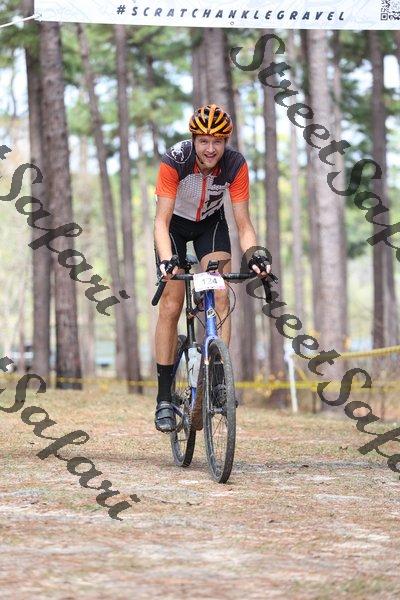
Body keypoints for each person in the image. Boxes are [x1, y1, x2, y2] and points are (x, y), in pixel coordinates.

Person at [153, 104, 270, 432]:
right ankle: (164, 398)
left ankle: (217, 380)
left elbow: (243, 223)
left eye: (217, 141)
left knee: (219, 295)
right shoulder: (176, 160)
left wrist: (255, 254)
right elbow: (161, 221)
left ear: (225, 142)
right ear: (194, 140)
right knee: (172, 304)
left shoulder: (235, 164)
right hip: (174, 228)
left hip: (210, 226)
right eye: (204, 141)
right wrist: (167, 260)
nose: (210, 148)